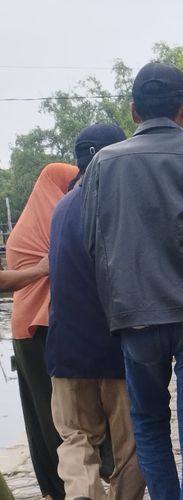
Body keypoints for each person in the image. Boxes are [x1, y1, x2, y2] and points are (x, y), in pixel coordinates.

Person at [81, 62, 183, 500]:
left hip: (134, 317)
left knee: (149, 425)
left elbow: (92, 244)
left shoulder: (101, 164)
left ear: (134, 112)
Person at [47, 123, 146, 500]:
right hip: (118, 348)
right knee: (132, 445)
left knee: (75, 439)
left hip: (66, 350)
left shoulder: (62, 206)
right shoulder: (124, 203)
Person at [6, 162, 78, 500]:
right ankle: (63, 486)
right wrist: (42, 269)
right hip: (40, 329)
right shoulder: (53, 222)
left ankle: (53, 487)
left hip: (29, 328)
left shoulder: (27, 226)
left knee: (39, 411)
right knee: (52, 413)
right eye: (69, 186)